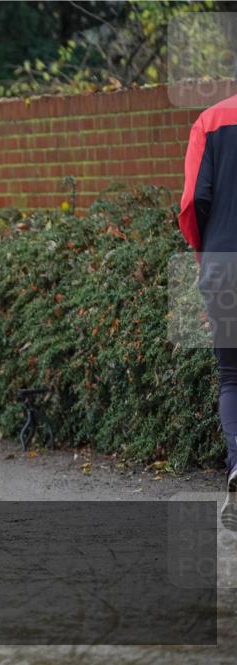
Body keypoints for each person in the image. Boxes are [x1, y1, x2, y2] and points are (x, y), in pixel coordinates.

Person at [179, 92, 237, 526]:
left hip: (224, 267)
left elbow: (193, 201)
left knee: (232, 377)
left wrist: (207, 256)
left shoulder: (211, 120)